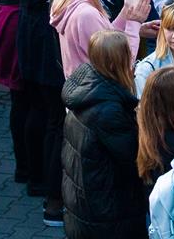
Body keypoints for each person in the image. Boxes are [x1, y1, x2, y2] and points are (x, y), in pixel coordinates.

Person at [59, 30, 144, 239]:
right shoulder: (108, 110)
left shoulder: (85, 88)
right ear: (117, 62)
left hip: (82, 199)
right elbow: (133, 157)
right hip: (105, 209)